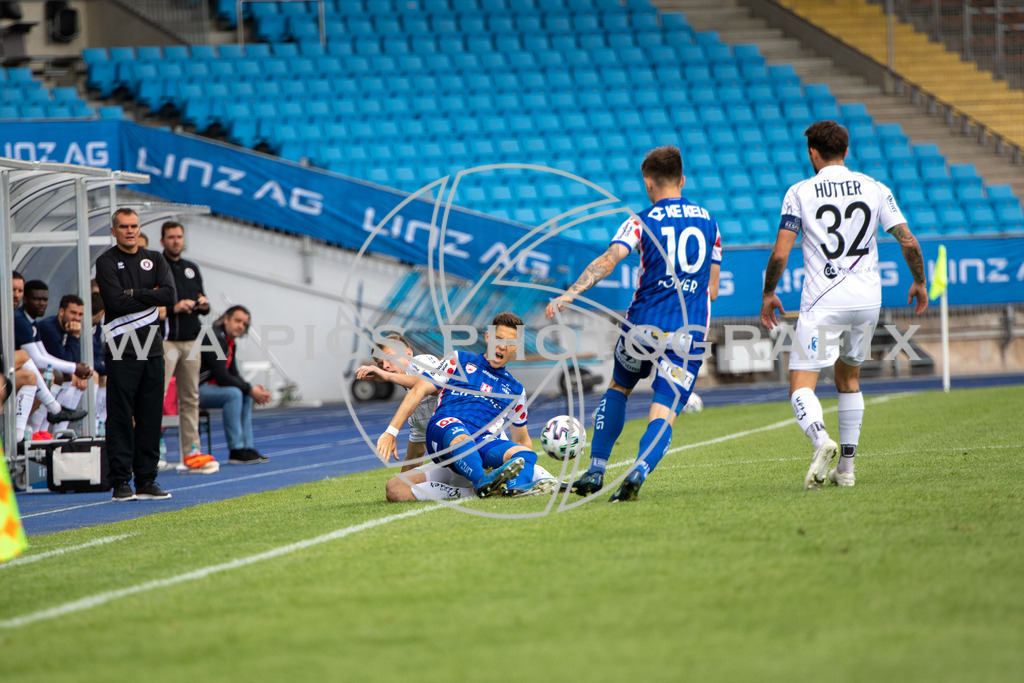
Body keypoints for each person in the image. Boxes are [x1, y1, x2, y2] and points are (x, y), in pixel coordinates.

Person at [546, 145, 722, 502]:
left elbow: (611, 258)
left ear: (648, 183)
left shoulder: (640, 221)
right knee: (664, 409)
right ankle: (640, 468)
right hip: (688, 332)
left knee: (618, 388)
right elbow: (714, 290)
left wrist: (573, 293)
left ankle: (596, 468)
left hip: (642, 325)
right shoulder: (709, 222)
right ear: (682, 180)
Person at [760, 120, 928, 489]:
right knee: (849, 380)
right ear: (846, 152)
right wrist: (919, 280)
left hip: (823, 299)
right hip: (867, 300)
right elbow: (910, 242)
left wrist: (768, 292)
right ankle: (847, 472)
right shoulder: (874, 188)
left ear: (813, 154)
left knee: (801, 383)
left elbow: (779, 254)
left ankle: (821, 441)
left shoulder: (799, 192)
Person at [375, 312, 556, 498]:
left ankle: (511, 489)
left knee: (525, 454)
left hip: (480, 445)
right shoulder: (459, 359)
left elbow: (521, 440)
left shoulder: (516, 390)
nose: (502, 346)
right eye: (498, 338)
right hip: (446, 433)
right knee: (457, 430)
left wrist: (523, 458)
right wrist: (391, 432)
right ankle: (483, 481)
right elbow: (418, 389)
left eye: (509, 342)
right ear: (488, 337)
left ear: (516, 347)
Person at [95, 208, 177, 501]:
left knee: (150, 417)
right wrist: (145, 295)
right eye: (123, 226)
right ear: (114, 230)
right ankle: (120, 482)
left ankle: (146, 480)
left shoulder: (155, 258)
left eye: (134, 226)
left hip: (153, 349)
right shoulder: (105, 261)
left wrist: (133, 293)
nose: (129, 230)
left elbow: (169, 295)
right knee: (120, 417)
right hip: (121, 349)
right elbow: (114, 301)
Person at [159, 220, 217, 474]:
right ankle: (150, 450)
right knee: (156, 396)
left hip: (192, 339)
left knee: (191, 398)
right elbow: (152, 308)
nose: (176, 241)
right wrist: (175, 308)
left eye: (179, 237)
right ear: (162, 241)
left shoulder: (191, 268)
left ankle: (191, 451)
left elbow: (203, 300)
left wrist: (203, 304)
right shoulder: (156, 267)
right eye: (171, 237)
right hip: (167, 340)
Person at [12, 274, 90, 437]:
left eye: (45, 300)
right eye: (37, 299)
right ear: (26, 300)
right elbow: (37, 358)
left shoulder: (30, 321)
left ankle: (41, 428)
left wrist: (74, 367)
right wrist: (75, 367)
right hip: (11, 370)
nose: (42, 304)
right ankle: (38, 425)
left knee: (60, 375)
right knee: (43, 373)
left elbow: (43, 354)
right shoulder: (23, 320)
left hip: (17, 370)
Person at [355, 333, 445, 473]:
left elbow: (432, 386)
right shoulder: (414, 409)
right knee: (396, 488)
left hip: (479, 437)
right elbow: (413, 457)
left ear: (409, 353)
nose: (385, 366)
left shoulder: (423, 361)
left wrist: (388, 376)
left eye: (389, 358)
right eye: (380, 364)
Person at [198, 305, 272, 464]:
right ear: (226, 319)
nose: (241, 326)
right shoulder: (214, 337)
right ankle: (236, 449)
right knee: (234, 394)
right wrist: (250, 389)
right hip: (196, 389)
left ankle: (247, 447)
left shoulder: (230, 342)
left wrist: (251, 389)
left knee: (244, 395)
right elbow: (222, 377)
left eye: (244, 324)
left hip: (212, 388)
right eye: (238, 321)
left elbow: (234, 373)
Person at [37, 293, 91, 434]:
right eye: (73, 313)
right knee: (65, 376)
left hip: (53, 371)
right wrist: (74, 337)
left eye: (80, 314)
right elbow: (65, 360)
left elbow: (73, 360)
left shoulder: (67, 328)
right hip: (40, 371)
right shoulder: (49, 328)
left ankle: (60, 431)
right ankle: (41, 429)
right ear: (61, 311)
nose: (77, 318)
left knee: (83, 378)